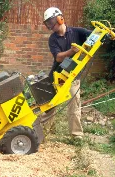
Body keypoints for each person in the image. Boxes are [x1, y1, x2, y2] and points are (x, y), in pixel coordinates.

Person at [43, 7, 91, 139]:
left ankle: (76, 135)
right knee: (49, 104)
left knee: (74, 105)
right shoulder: (53, 39)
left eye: (51, 21)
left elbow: (93, 35)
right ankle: (44, 132)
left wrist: (105, 35)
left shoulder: (77, 32)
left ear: (60, 18)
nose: (50, 25)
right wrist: (71, 51)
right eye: (47, 23)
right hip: (57, 75)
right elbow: (58, 57)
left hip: (73, 76)